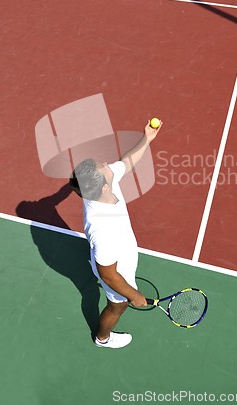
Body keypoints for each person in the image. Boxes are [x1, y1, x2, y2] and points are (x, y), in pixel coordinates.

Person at [69, 120, 162, 348]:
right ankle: (102, 338)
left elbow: (125, 162)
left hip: (117, 253)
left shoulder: (100, 185)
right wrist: (133, 295)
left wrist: (146, 139)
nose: (106, 164)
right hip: (115, 270)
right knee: (117, 305)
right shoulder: (103, 229)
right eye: (104, 167)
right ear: (104, 188)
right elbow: (108, 275)